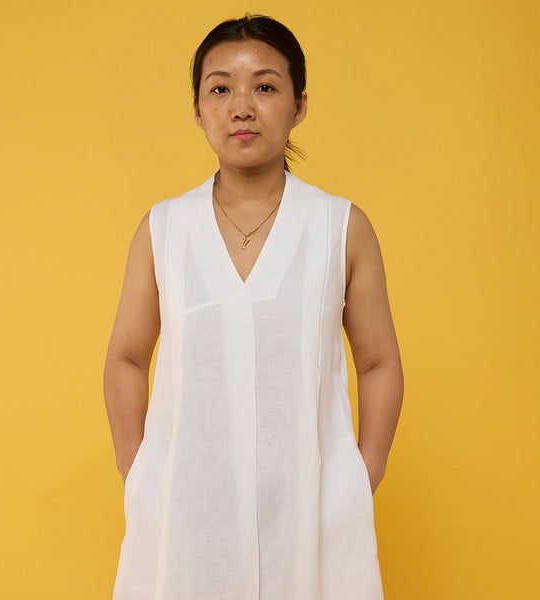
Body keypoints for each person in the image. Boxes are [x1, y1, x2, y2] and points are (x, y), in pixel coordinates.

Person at [103, 13, 403, 600]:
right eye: (220, 89)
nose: (242, 107)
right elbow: (127, 358)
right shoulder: (165, 229)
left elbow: (379, 363)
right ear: (198, 109)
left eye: (264, 86)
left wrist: (359, 477)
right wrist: (140, 473)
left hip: (311, 513)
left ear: (299, 105)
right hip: (186, 517)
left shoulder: (339, 227)